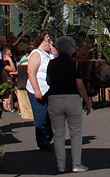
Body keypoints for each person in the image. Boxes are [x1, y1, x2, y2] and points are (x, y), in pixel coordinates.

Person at [46, 36, 93, 174]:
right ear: (72, 49)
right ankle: (76, 163)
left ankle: (61, 165)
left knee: (58, 134)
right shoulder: (75, 64)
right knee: (76, 133)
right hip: (72, 98)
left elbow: (48, 81)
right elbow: (80, 86)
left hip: (54, 98)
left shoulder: (52, 64)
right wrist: (86, 101)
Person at [26, 31, 56, 151]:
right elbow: (31, 72)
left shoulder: (50, 54)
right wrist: (36, 90)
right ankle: (43, 141)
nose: (50, 43)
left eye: (51, 41)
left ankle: (48, 138)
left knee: (50, 116)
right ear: (41, 41)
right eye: (47, 40)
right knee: (41, 117)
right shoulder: (36, 53)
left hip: (49, 90)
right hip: (38, 89)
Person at [2, 46, 18, 112]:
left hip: (10, 78)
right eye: (8, 55)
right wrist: (9, 59)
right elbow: (13, 69)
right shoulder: (2, 62)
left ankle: (9, 104)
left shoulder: (9, 61)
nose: (10, 56)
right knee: (10, 85)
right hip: (4, 80)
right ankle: (7, 103)